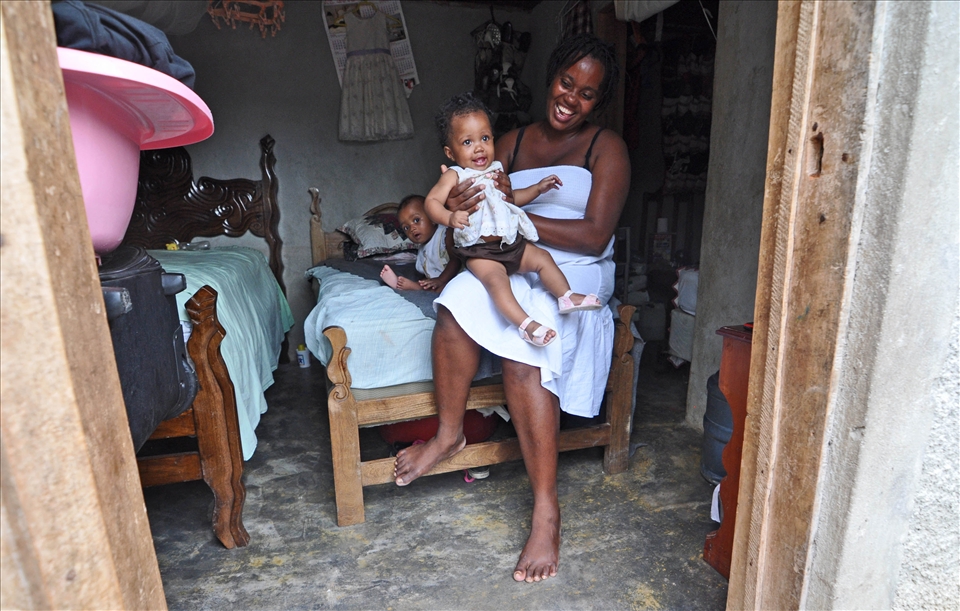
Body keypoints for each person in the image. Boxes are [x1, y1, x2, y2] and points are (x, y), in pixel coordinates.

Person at [393, 33, 630, 583]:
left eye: (588, 92)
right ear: (552, 76)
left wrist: (506, 222)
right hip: (506, 253)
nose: (572, 97)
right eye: (567, 82)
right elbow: (467, 203)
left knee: (527, 350)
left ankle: (546, 509)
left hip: (568, 267)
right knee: (455, 303)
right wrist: (465, 213)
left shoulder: (606, 148)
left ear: (601, 101)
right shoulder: (512, 141)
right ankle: (449, 432)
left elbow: (595, 235)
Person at [424, 92, 602, 346]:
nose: (479, 147)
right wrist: (450, 217)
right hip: (480, 252)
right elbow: (431, 203)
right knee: (498, 283)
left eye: (485, 138)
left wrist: (537, 189)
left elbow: (511, 200)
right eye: (467, 142)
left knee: (542, 258)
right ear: (450, 153)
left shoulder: (496, 170)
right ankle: (526, 325)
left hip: (510, 245)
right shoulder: (455, 175)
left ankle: (566, 296)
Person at [380, 194, 461, 292]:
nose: (412, 228)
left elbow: (456, 260)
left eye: (416, 220)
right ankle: (400, 283)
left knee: (450, 288)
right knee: (425, 282)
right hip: (436, 281)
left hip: (456, 277)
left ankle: (416, 287)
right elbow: (428, 273)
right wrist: (428, 281)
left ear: (432, 217)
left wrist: (440, 280)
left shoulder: (445, 233)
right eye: (406, 227)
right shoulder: (423, 249)